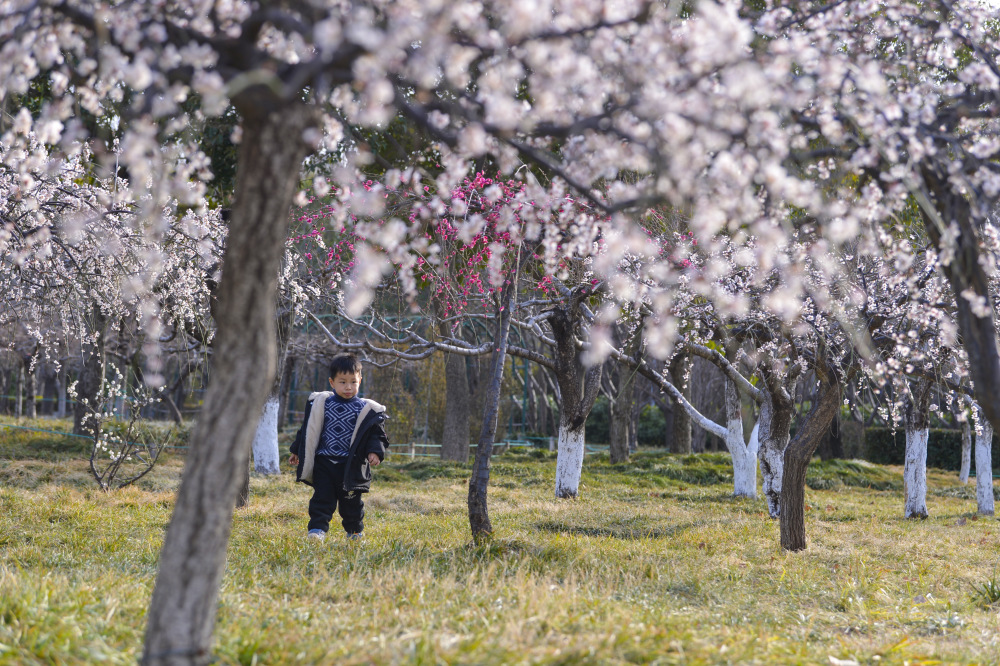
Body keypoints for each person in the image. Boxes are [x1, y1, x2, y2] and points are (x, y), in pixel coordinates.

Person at [289, 353, 389, 541]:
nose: (348, 387)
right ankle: (317, 531)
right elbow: (308, 429)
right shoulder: (322, 404)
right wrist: (296, 450)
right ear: (332, 382)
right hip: (324, 462)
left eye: (353, 382)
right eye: (342, 382)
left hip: (351, 465)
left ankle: (355, 532)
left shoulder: (366, 409)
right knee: (321, 499)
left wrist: (375, 451)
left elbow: (377, 434)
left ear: (360, 380)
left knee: (351, 502)